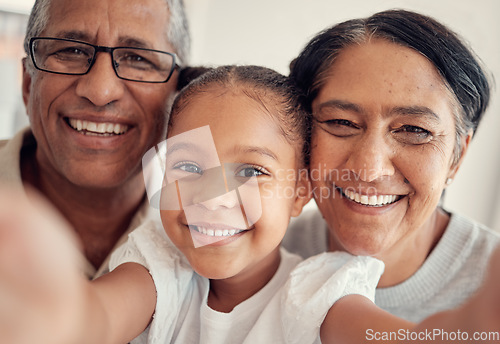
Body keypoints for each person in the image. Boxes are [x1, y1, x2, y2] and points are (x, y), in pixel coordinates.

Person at [1, 65, 499, 344]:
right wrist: (48, 306)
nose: (212, 198)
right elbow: (97, 318)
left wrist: (476, 326)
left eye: (251, 172)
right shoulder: (159, 262)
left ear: (302, 190)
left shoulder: (320, 289)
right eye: (189, 168)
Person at [283, 9, 500, 322]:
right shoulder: (261, 259)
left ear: (457, 157)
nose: (369, 169)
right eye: (341, 122)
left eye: (414, 130)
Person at [0, 0, 190, 278]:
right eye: (71, 51)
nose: (100, 91)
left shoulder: (221, 230)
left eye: (138, 58)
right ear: (28, 83)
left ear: (178, 94)